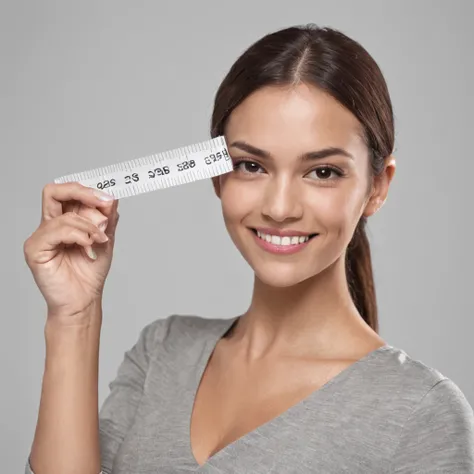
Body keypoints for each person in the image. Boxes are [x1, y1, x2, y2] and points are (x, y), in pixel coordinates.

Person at [23, 24, 474, 474]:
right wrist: (74, 318)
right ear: (217, 175)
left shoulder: (421, 413)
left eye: (322, 172)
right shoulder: (163, 352)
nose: (279, 208)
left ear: (378, 187)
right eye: (251, 166)